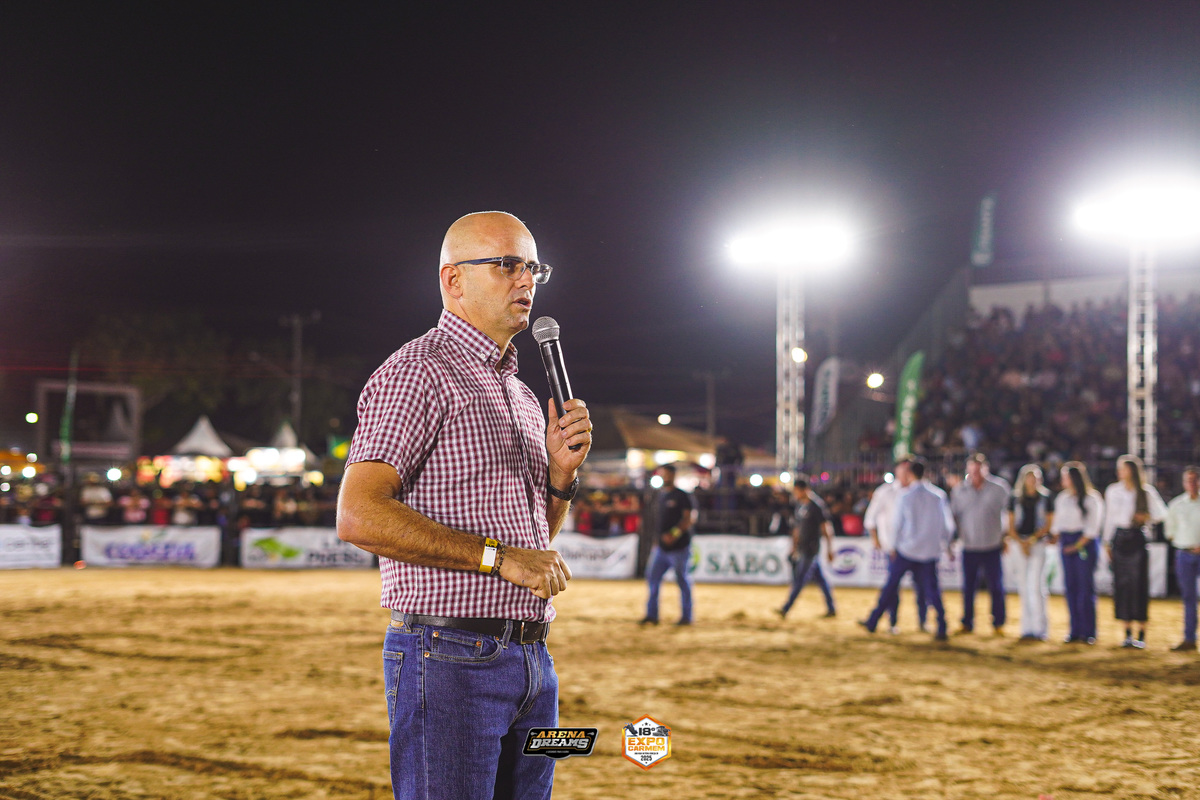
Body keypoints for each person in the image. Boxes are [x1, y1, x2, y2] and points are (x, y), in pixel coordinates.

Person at [337, 211, 592, 800]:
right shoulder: (418, 372)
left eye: (533, 268)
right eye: (507, 265)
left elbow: (534, 541)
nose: (525, 280)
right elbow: (358, 514)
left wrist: (560, 477)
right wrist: (498, 558)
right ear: (453, 280)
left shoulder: (520, 393)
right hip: (449, 656)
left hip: (531, 657)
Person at [859, 458, 955, 641]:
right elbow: (947, 526)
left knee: (891, 586)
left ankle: (873, 621)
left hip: (907, 550)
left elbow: (897, 525)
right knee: (932, 590)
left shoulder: (905, 496)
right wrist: (945, 545)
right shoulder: (938, 495)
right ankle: (941, 626)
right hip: (929, 552)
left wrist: (893, 546)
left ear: (910, 473)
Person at [1103, 454, 1169, 648]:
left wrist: (1145, 517)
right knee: (1122, 585)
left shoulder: (1146, 491)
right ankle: (1127, 632)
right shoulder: (1113, 491)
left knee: (1138, 585)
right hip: (1119, 539)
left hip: (1137, 538)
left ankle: (1141, 632)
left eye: (1123, 468)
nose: (1119, 472)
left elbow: (1161, 514)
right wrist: (1107, 542)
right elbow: (1109, 518)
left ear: (1131, 471)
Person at [950, 453, 1012, 635]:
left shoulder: (999, 488)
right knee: (968, 587)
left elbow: (1009, 514)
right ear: (968, 470)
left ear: (986, 469)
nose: (976, 473)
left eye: (979, 470)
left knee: (996, 586)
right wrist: (954, 538)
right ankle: (967, 622)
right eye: (973, 470)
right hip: (969, 546)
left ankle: (998, 622)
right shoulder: (959, 491)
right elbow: (954, 516)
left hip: (993, 545)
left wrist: (1005, 537)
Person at [864, 467, 928, 633]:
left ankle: (923, 621)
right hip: (894, 549)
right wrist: (877, 540)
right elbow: (870, 518)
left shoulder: (922, 492)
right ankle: (891, 622)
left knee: (921, 586)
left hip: (918, 547)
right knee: (892, 587)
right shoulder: (885, 492)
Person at [1052, 461, 1104, 644]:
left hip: (1083, 544)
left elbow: (1092, 529)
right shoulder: (1062, 498)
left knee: (1085, 588)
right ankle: (1075, 630)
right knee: (1071, 587)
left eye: (1065, 477)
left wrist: (1075, 546)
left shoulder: (1091, 498)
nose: (1063, 481)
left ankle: (1088, 631)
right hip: (1067, 542)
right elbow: (1057, 524)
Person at [640, 464, 697, 625]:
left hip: (679, 548)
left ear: (673, 475)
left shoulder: (682, 496)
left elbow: (689, 518)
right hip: (661, 548)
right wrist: (657, 541)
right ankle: (652, 615)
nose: (664, 477)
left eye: (666, 474)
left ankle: (687, 617)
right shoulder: (659, 496)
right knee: (652, 578)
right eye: (662, 474)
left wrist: (674, 534)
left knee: (683, 580)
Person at [1007, 464, 1054, 641]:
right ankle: (1026, 627)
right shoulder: (1015, 498)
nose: (1033, 481)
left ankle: (1040, 628)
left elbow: (1048, 524)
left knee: (1037, 585)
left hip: (1037, 544)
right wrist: (1021, 543)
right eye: (1030, 477)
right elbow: (1011, 526)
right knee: (1023, 585)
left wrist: (1031, 541)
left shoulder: (1045, 498)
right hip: (1019, 545)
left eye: (1036, 477)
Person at [777, 478, 836, 619]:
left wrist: (829, 549)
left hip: (811, 549)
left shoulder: (816, 506)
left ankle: (786, 608)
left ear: (804, 490)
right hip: (803, 548)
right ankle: (831, 608)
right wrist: (794, 547)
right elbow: (797, 529)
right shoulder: (800, 505)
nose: (795, 494)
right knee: (820, 579)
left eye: (796, 491)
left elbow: (826, 527)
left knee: (799, 578)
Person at [1165, 466, 1200, 651]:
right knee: (1188, 598)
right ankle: (1189, 638)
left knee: (1189, 598)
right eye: (1189, 480)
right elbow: (1170, 532)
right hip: (1184, 554)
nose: (1192, 484)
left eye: (1195, 480)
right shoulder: (1176, 505)